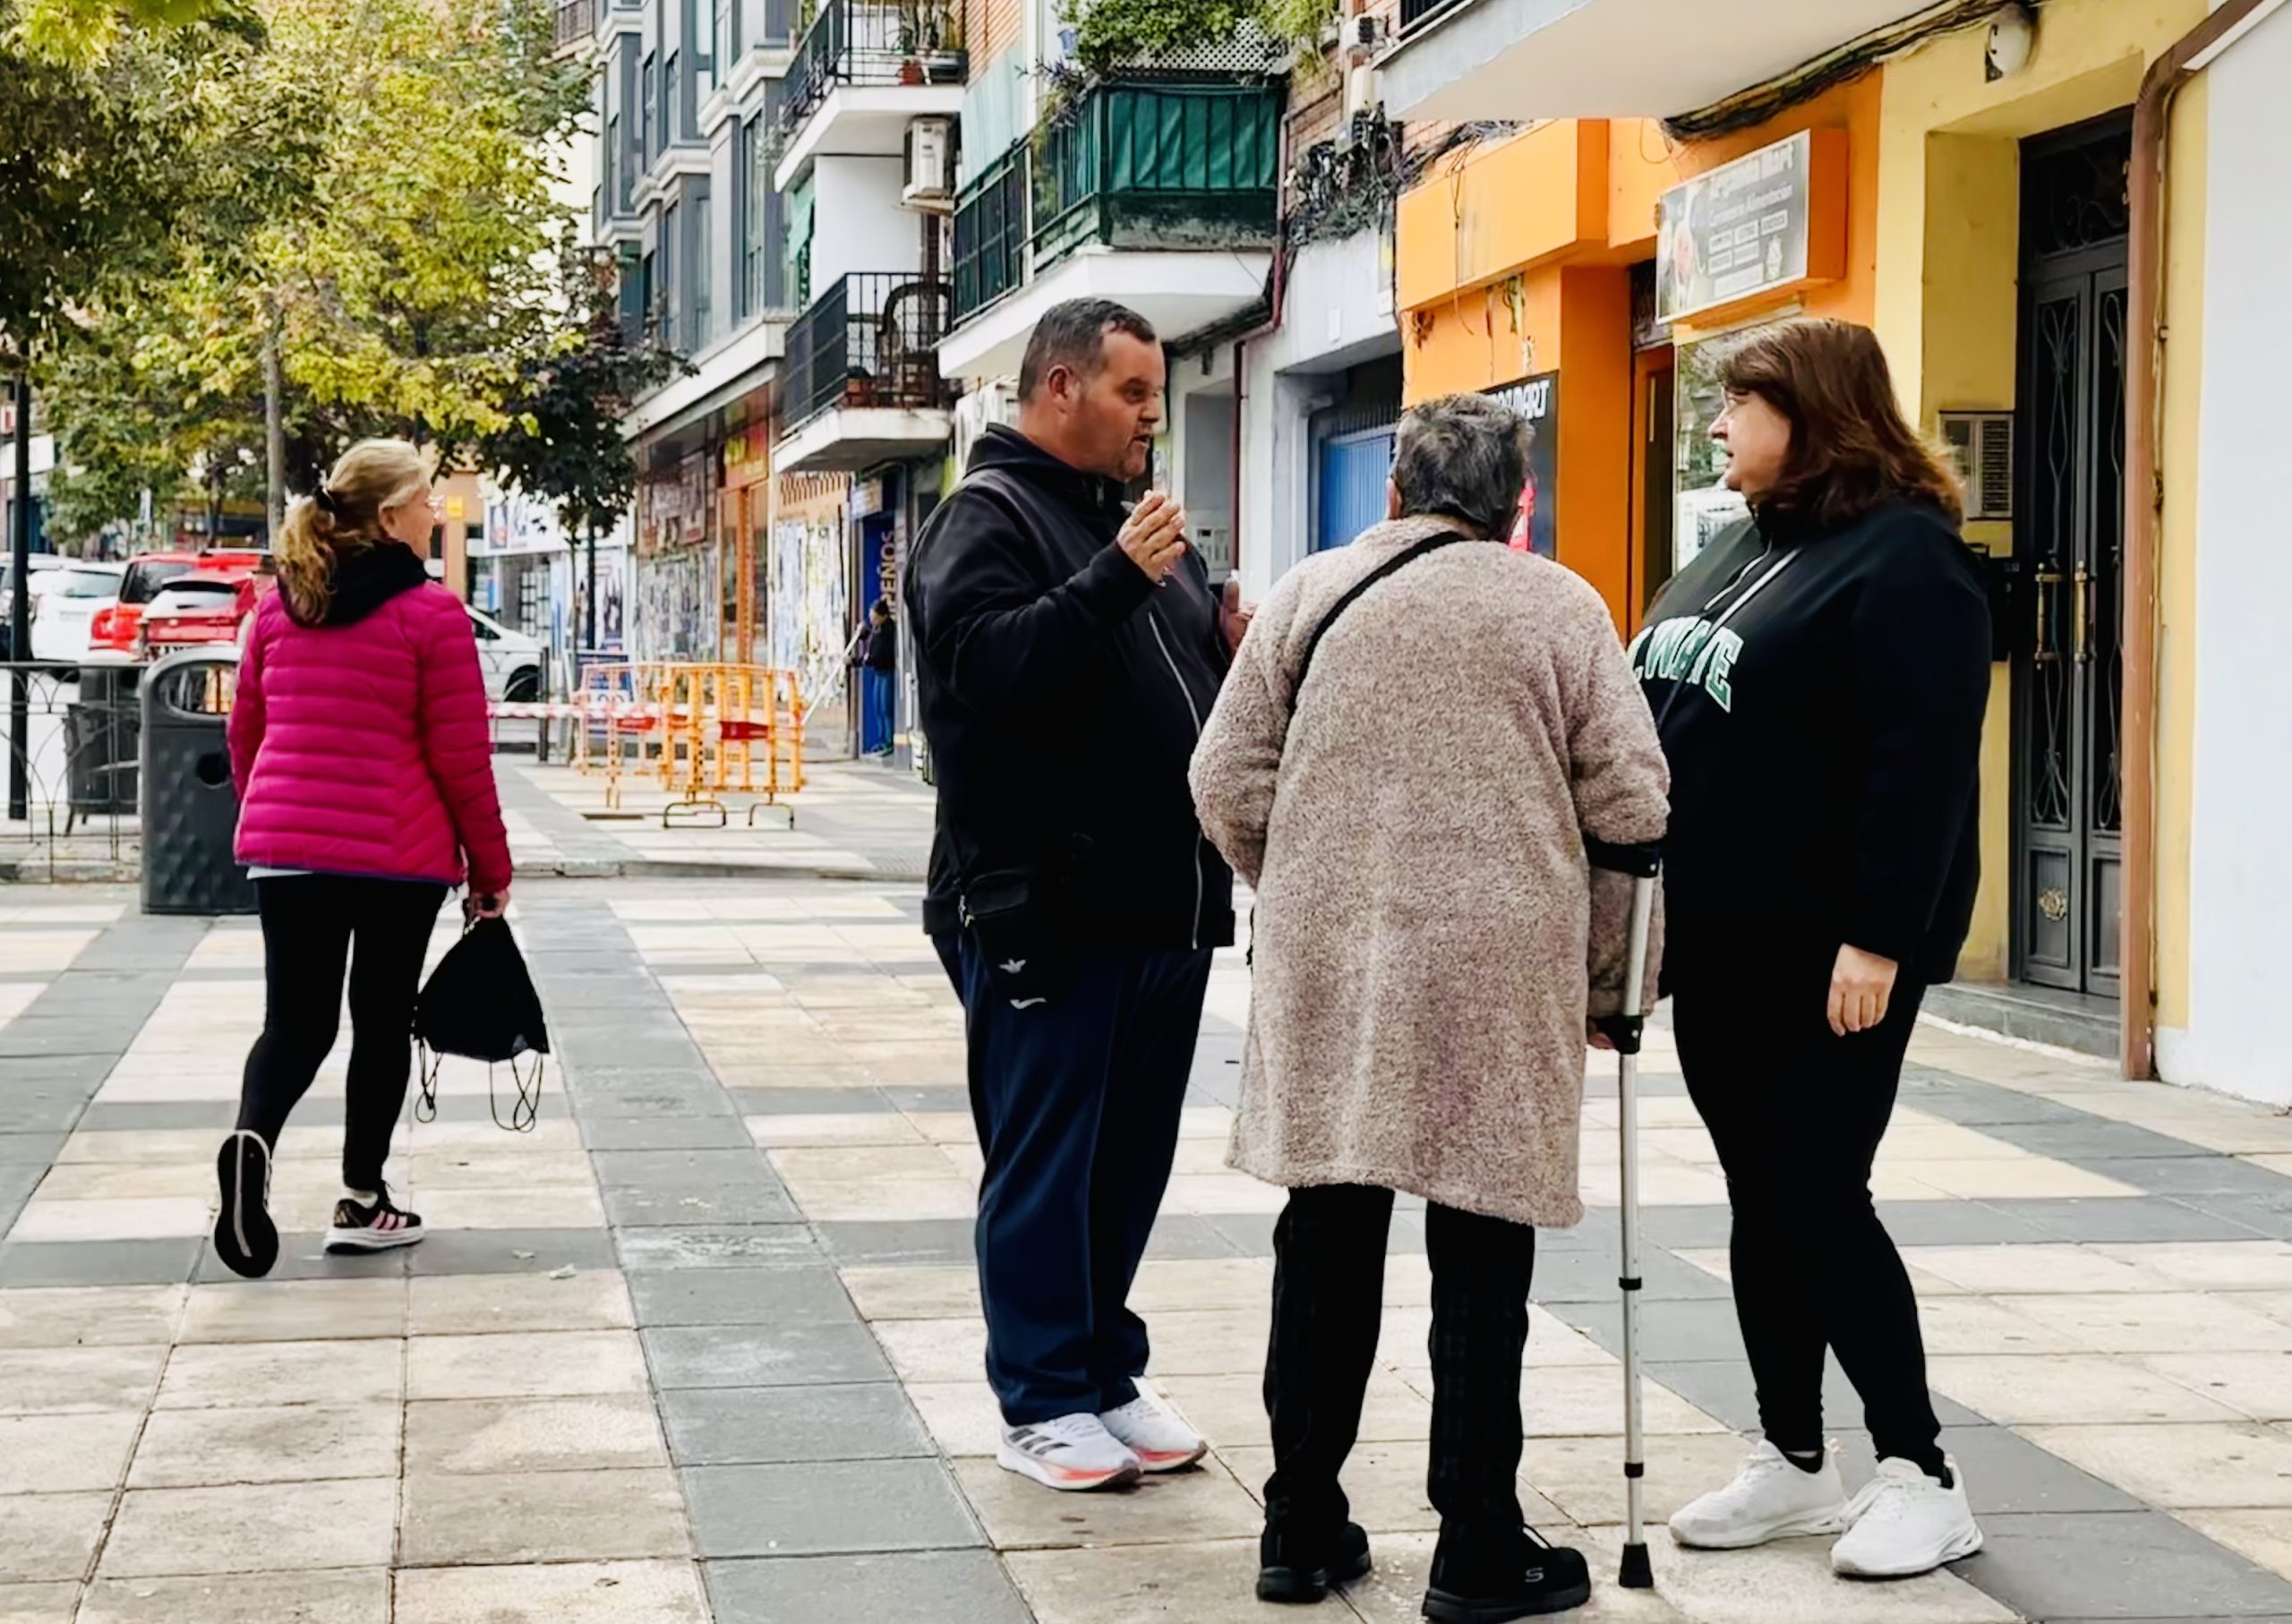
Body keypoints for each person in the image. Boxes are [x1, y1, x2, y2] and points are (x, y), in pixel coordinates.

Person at [1191, 393, 1671, 1620]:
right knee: (1481, 1245)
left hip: (1332, 960)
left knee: (1328, 1231)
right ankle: (1476, 1542)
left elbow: (1223, 774)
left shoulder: (1306, 593)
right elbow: (1630, 810)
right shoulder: (1560, 606)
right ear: (1517, 504)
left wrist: (1300, 878)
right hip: (1500, 965)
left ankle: (1298, 1524)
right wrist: (1614, 986)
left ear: (1393, 490)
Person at [1634, 318, 1991, 1578]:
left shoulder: (1906, 562)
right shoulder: (1738, 546)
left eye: (1741, 402)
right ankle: (1793, 1457)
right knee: (1759, 1201)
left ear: (1816, 409)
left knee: (1821, 1197)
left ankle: (1920, 1470)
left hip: (1828, 956)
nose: (1719, 425)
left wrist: (1880, 938)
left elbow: (1926, 766)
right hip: (1717, 947)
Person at [905, 298, 1244, 1493]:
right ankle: (1042, 1394)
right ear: (1059, 389)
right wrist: (1113, 580)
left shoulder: (1134, 533)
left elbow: (1174, 693)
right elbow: (983, 676)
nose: (1153, 417)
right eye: (1134, 393)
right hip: (1041, 903)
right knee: (1048, 1156)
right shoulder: (984, 521)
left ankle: (1104, 1367)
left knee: (1127, 1158)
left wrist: (1226, 632)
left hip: (1161, 902)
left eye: (1154, 395)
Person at [214, 438, 512, 1280]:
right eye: (425, 500)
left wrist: (272, 816)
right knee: (380, 1021)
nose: (435, 512)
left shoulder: (279, 605)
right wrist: (490, 870)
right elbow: (461, 757)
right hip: (397, 854)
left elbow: (248, 733)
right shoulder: (431, 614)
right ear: (389, 517)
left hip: (287, 852)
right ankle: (360, 1199)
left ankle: (251, 1144)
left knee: (295, 1023)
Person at [861, 597, 898, 757]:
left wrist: (862, 661)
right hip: (878, 672)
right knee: (878, 707)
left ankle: (890, 741)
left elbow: (881, 653)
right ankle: (883, 739)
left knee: (886, 708)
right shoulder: (877, 630)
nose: (872, 620)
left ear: (883, 616)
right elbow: (872, 644)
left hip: (887, 672)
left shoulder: (889, 631)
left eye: (874, 617)